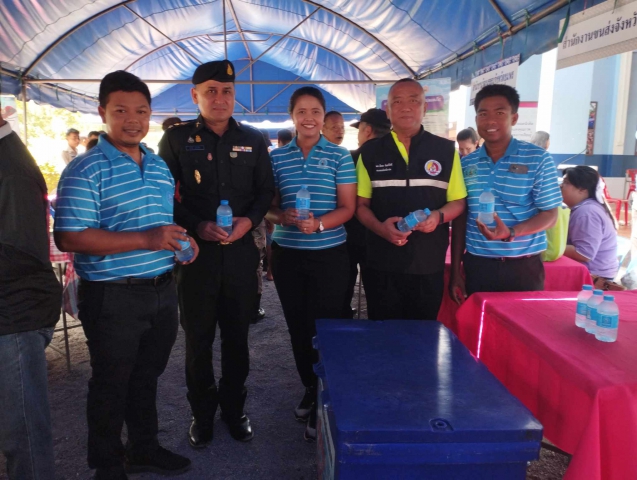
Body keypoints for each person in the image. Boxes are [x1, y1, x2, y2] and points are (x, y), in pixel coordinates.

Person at [54, 71, 197, 480]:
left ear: (150, 114)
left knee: (146, 376)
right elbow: (70, 236)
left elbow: (159, 223)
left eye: (141, 111)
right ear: (103, 112)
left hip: (162, 289)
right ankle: (107, 464)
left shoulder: (158, 166)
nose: (132, 120)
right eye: (121, 111)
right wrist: (147, 239)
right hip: (112, 294)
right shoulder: (85, 168)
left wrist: (181, 242)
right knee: (110, 382)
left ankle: (143, 448)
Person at [158, 60, 274, 448]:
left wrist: (249, 222)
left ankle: (234, 409)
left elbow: (265, 192)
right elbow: (164, 195)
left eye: (227, 91)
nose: (220, 98)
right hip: (196, 258)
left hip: (240, 255)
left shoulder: (254, 139)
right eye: (211, 91)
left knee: (237, 338)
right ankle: (202, 413)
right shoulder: (176, 139)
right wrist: (197, 224)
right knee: (198, 341)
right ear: (195, 95)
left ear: (234, 95)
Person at [267, 87, 356, 441]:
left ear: (323, 116)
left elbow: (348, 208)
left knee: (328, 326)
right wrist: (281, 216)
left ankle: (327, 395)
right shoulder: (277, 158)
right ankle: (309, 387)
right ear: (292, 116)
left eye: (315, 111)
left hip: (329, 254)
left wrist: (319, 224)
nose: (309, 118)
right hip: (288, 254)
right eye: (302, 111)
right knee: (298, 326)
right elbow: (268, 207)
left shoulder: (339, 155)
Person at [356, 79, 467, 321]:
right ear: (388, 110)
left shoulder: (445, 151)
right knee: (383, 331)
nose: (406, 107)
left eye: (414, 101)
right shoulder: (370, 152)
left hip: (428, 263)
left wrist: (438, 217)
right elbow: (361, 206)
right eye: (397, 102)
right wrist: (381, 229)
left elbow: (458, 202)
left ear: (425, 108)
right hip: (381, 263)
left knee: (423, 334)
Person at [449, 85, 562, 304]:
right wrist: (455, 272)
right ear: (476, 119)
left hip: (523, 267)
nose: (490, 121)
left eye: (500, 113)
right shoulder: (466, 164)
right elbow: (461, 218)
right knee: (478, 322)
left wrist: (511, 231)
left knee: (522, 323)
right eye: (483, 114)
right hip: (478, 265)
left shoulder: (537, 159)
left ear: (514, 118)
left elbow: (551, 215)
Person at [0, 106, 62, 480]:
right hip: (13, 310)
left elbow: (19, 255)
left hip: (15, 315)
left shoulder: (11, 169)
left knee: (24, 438)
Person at [342, 108, 391, 317]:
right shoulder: (397, 158)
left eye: (359, 130)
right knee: (379, 295)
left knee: (343, 287)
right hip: (383, 235)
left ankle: (343, 320)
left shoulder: (350, 157)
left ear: (368, 130)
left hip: (349, 234)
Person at [561, 166, 618, 279]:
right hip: (592, 273)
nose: (561, 186)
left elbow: (584, 254)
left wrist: (547, 247)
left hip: (594, 277)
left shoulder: (587, 212)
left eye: (566, 183)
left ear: (582, 189)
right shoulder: (585, 208)